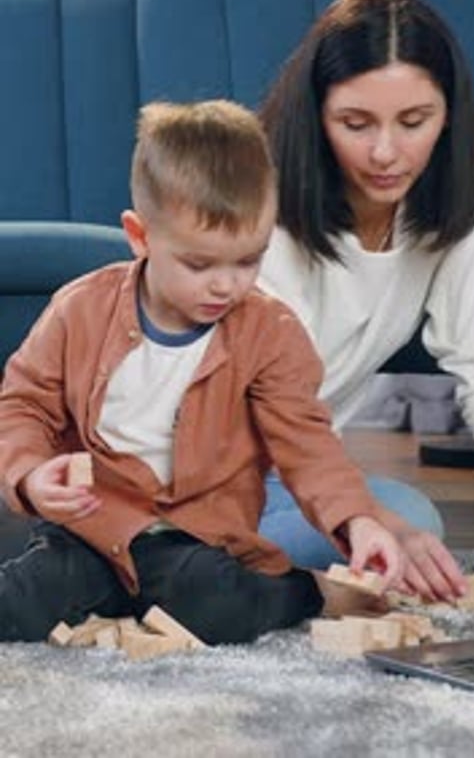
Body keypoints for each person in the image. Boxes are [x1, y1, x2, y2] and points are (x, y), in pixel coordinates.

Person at [0, 98, 416, 647]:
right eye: (199, 264)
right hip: (91, 529)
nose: (226, 285)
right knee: (23, 600)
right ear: (140, 236)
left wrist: (357, 521)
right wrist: (30, 473)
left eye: (248, 261)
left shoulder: (271, 333)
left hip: (197, 539)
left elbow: (308, 446)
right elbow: (22, 404)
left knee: (215, 603)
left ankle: (309, 591)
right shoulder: (79, 309)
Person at [257, 0, 474, 596]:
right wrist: (364, 518)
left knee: (416, 524)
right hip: (198, 470)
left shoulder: (458, 194)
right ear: (316, 115)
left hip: (301, 480)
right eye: (355, 124)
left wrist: (375, 520)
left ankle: (211, 564)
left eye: (415, 122)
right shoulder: (262, 198)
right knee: (388, 538)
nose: (387, 153)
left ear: (449, 114)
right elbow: (272, 408)